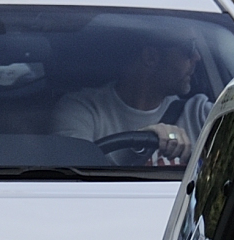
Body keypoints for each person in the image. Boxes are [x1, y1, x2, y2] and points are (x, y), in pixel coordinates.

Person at [52, 37, 213, 164]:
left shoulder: (201, 115)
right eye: (189, 48)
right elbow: (74, 174)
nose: (197, 57)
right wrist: (138, 142)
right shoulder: (82, 110)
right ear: (151, 57)